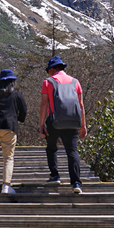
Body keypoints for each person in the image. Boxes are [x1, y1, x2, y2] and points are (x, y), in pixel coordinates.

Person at [39, 55, 87, 194]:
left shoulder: (48, 82)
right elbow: (81, 105)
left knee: (51, 147)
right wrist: (83, 125)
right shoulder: (75, 82)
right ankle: (76, 183)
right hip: (73, 121)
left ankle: (55, 175)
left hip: (54, 121)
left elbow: (44, 104)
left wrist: (42, 124)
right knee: (72, 151)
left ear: (52, 69)